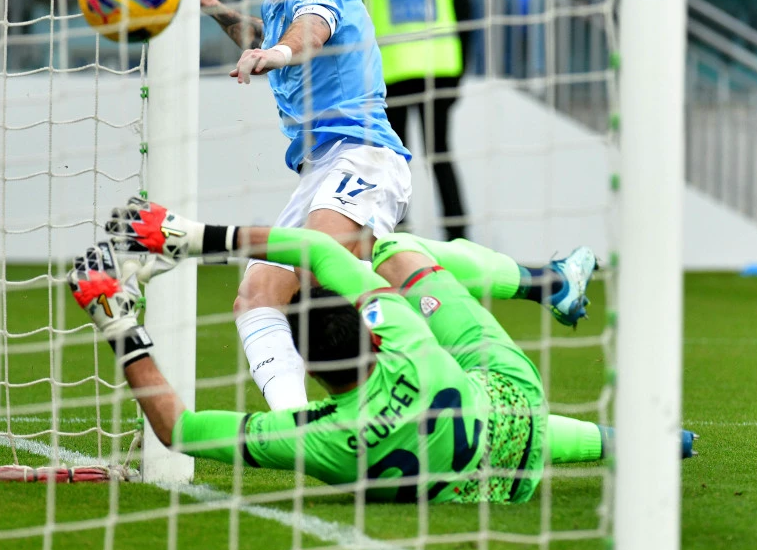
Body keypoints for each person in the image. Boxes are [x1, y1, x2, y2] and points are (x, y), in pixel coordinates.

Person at [68, 197, 697, 503]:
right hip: (509, 396)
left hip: (491, 486)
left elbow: (177, 430)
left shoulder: (318, 438)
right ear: (374, 331)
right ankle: (550, 284)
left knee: (483, 428)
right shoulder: (402, 335)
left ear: (310, 368)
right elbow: (319, 249)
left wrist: (118, 324)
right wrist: (191, 236)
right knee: (394, 250)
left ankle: (635, 441)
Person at [198, 0, 412, 411]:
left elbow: (310, 31)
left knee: (318, 274)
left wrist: (277, 54)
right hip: (318, 171)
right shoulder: (278, 3)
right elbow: (264, 34)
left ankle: (411, 395)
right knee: (257, 295)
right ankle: (293, 423)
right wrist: (213, 7)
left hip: (363, 154)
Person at [344, 0, 471, 240]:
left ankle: (395, 238)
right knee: (441, 154)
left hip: (390, 73)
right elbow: (467, 18)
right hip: (441, 70)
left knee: (393, 160)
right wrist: (460, 74)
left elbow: (352, 27)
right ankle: (459, 237)